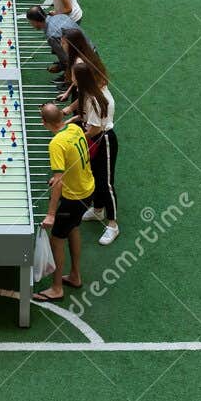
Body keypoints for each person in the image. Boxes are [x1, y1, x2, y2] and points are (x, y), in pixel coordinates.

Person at [35, 102, 94, 302]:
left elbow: (58, 182)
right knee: (73, 228)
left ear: (44, 123)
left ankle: (57, 287)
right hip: (88, 190)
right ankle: (75, 275)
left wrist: (51, 214)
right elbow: (77, 156)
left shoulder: (56, 143)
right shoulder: (76, 128)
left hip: (73, 198)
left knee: (57, 239)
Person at [65, 60, 119, 246]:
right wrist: (70, 120)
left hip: (103, 140)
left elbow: (95, 129)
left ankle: (112, 224)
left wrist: (76, 138)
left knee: (106, 182)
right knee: (95, 175)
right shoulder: (87, 90)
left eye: (73, 75)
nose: (71, 78)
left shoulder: (95, 98)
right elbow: (84, 115)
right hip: (94, 137)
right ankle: (98, 209)